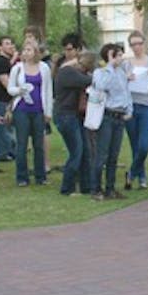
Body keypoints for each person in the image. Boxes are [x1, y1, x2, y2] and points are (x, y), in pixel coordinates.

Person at [6, 39, 53, 187]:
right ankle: (22, 177)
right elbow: (10, 88)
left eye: (29, 50)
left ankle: (41, 176)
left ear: (35, 52)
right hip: (22, 110)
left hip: (38, 110)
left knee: (38, 143)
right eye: (24, 50)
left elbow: (47, 90)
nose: (26, 52)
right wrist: (20, 90)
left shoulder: (44, 67)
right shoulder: (17, 68)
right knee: (22, 143)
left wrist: (48, 111)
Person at [91, 43, 133, 201]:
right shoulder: (100, 72)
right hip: (107, 115)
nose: (120, 58)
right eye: (117, 55)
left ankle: (110, 188)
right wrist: (109, 65)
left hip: (119, 116)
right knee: (102, 154)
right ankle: (96, 188)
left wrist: (129, 110)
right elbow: (101, 86)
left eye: (121, 55)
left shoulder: (122, 73)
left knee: (113, 155)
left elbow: (126, 93)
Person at [53, 45, 94, 196]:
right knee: (76, 152)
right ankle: (67, 188)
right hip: (65, 116)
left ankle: (86, 186)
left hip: (74, 116)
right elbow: (87, 81)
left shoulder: (69, 71)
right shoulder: (67, 72)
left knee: (85, 152)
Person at [124, 30, 148, 191]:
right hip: (131, 106)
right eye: (134, 44)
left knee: (144, 146)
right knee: (135, 145)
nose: (137, 47)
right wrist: (126, 78)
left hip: (147, 106)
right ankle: (142, 178)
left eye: (140, 43)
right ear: (130, 46)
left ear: (144, 44)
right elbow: (119, 88)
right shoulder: (126, 64)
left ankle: (132, 173)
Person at [0, 35, 17, 163]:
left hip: (8, 99)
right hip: (2, 98)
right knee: (3, 126)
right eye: (7, 43)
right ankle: (2, 153)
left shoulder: (8, 62)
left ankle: (9, 151)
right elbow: (5, 82)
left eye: (11, 43)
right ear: (0, 47)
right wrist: (16, 93)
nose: (11, 46)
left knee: (9, 126)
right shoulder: (0, 61)